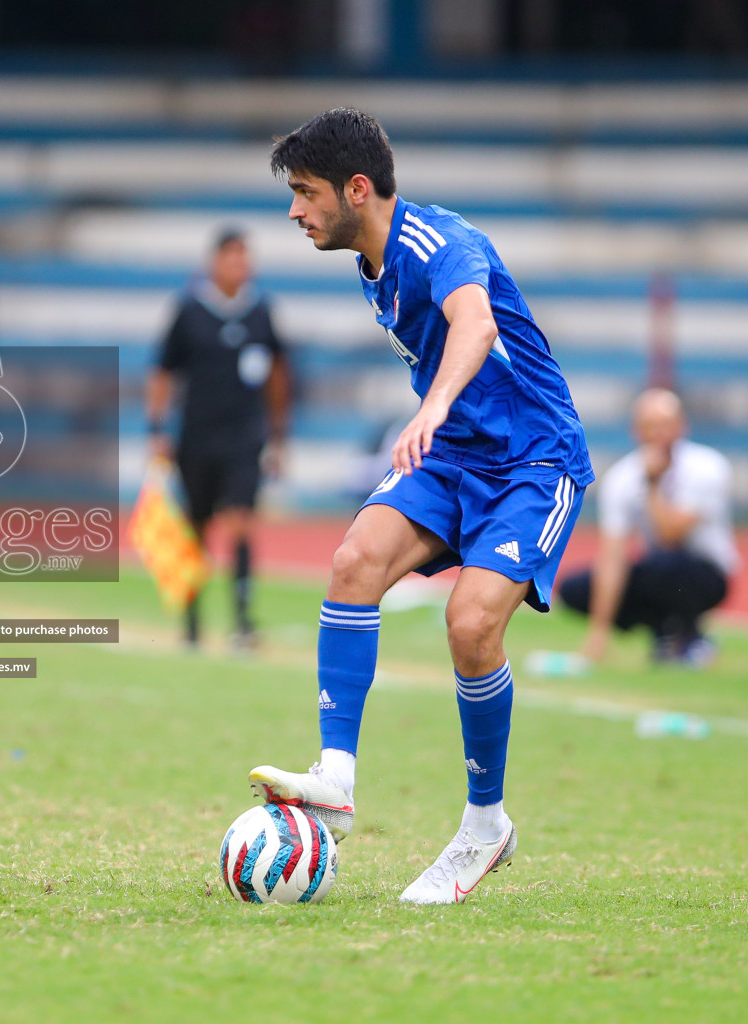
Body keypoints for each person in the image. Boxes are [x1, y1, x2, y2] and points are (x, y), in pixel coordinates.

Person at [246, 109, 594, 904]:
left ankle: (485, 826)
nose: (294, 212)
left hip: (532, 461)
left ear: (356, 189)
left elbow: (472, 324)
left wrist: (433, 405)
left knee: (471, 626)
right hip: (457, 455)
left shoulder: (441, 244)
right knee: (354, 560)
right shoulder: (371, 260)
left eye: (305, 194)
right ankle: (335, 778)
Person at [146, 227, 291, 650]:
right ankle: (191, 622)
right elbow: (162, 373)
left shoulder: (262, 313)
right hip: (196, 436)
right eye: (232, 257)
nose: (240, 266)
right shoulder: (189, 311)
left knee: (242, 522)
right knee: (195, 526)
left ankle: (243, 621)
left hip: (245, 436)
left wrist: (279, 435)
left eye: (245, 258)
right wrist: (157, 430)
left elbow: (279, 376)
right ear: (215, 263)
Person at [561, 388, 736, 666]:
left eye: (665, 425)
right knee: (575, 589)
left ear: (682, 426)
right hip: (659, 570)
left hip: (707, 574)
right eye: (650, 426)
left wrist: (652, 486)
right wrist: (599, 633)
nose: (658, 434)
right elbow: (613, 555)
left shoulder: (707, 467)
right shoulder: (622, 478)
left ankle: (689, 634)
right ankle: (664, 632)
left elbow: (671, 536)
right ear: (635, 429)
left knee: (666, 563)